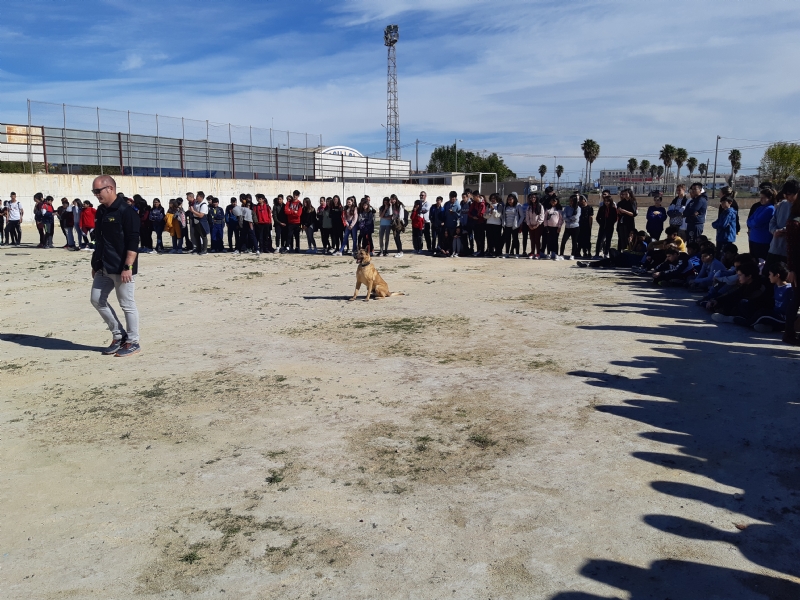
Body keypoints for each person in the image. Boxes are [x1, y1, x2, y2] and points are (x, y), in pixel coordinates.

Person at [89, 176, 141, 357]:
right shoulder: (101, 211)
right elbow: (100, 240)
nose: (96, 195)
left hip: (121, 266)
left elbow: (133, 240)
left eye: (98, 191)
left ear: (110, 188)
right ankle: (118, 334)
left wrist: (128, 266)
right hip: (103, 265)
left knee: (126, 304)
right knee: (96, 299)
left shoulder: (127, 211)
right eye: (94, 192)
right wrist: (95, 263)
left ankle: (133, 341)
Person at [751, 262, 794, 333]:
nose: (769, 276)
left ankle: (746, 323)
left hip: (783, 318)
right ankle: (771, 328)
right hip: (775, 314)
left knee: (763, 315)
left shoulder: (789, 289)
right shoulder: (776, 287)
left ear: (777, 275)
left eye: (770, 274)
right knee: (761, 311)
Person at [782, 192, 800, 345]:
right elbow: (791, 249)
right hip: (798, 267)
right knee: (796, 300)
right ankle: (789, 334)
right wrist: (792, 270)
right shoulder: (794, 222)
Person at [769, 181, 799, 266]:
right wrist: (774, 231)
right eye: (785, 194)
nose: (786, 196)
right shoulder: (783, 204)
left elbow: (795, 225)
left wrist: (783, 230)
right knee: (768, 274)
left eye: (789, 194)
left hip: (790, 252)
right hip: (775, 248)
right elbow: (772, 221)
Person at [746, 187, 776, 260]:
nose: (761, 199)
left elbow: (757, 222)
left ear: (770, 198)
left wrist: (753, 223)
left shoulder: (770, 208)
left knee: (760, 262)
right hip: (753, 238)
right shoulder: (760, 208)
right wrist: (753, 223)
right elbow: (749, 220)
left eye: (763, 197)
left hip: (762, 241)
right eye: (760, 197)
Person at [594, 192, 617, 258]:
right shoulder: (602, 208)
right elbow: (598, 217)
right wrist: (601, 223)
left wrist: (611, 223)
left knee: (608, 240)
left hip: (610, 227)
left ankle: (606, 253)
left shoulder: (613, 209)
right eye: (605, 201)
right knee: (600, 240)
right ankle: (597, 253)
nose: (606, 202)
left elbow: (615, 218)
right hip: (602, 226)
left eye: (608, 201)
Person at [501, 193, 523, 258]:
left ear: (514, 199)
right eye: (508, 199)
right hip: (507, 225)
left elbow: (522, 216)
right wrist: (504, 223)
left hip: (515, 226)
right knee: (507, 239)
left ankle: (517, 253)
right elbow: (503, 216)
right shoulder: (506, 206)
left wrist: (518, 224)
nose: (509, 201)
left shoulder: (518, 206)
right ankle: (507, 253)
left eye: (511, 199)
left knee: (515, 239)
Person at [559, 193, 581, 259]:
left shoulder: (578, 208)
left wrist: (569, 218)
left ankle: (572, 255)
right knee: (563, 241)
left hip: (575, 227)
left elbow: (576, 217)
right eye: (570, 200)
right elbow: (564, 216)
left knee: (574, 242)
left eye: (572, 200)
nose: (570, 202)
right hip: (567, 228)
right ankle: (561, 255)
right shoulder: (566, 208)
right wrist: (570, 219)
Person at [543, 195, 564, 260]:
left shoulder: (559, 209)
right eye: (552, 201)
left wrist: (559, 227)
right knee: (549, 241)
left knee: (555, 241)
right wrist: (546, 226)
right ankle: (548, 253)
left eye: (554, 201)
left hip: (556, 227)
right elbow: (545, 218)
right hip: (549, 227)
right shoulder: (548, 209)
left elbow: (561, 219)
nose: (553, 202)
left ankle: (555, 254)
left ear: (557, 202)